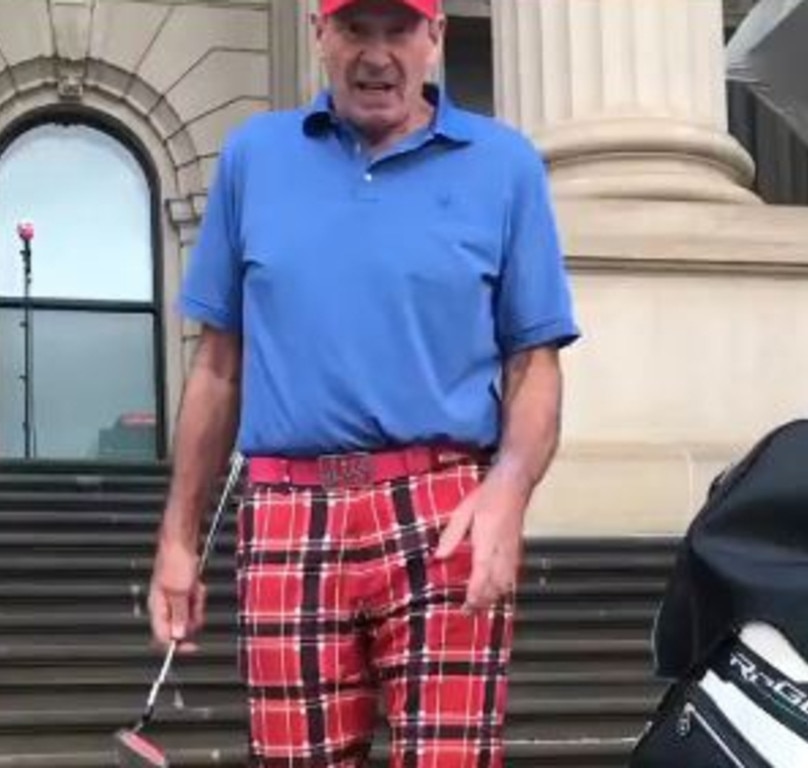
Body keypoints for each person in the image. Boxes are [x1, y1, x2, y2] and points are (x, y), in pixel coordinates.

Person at [148, 0, 580, 764]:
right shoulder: (256, 158)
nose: (376, 54)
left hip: (445, 509)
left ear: (435, 38)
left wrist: (508, 491)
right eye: (355, 29)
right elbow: (218, 367)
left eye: (398, 30)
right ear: (321, 33)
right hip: (287, 509)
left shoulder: (504, 166)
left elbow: (533, 360)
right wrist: (178, 542)